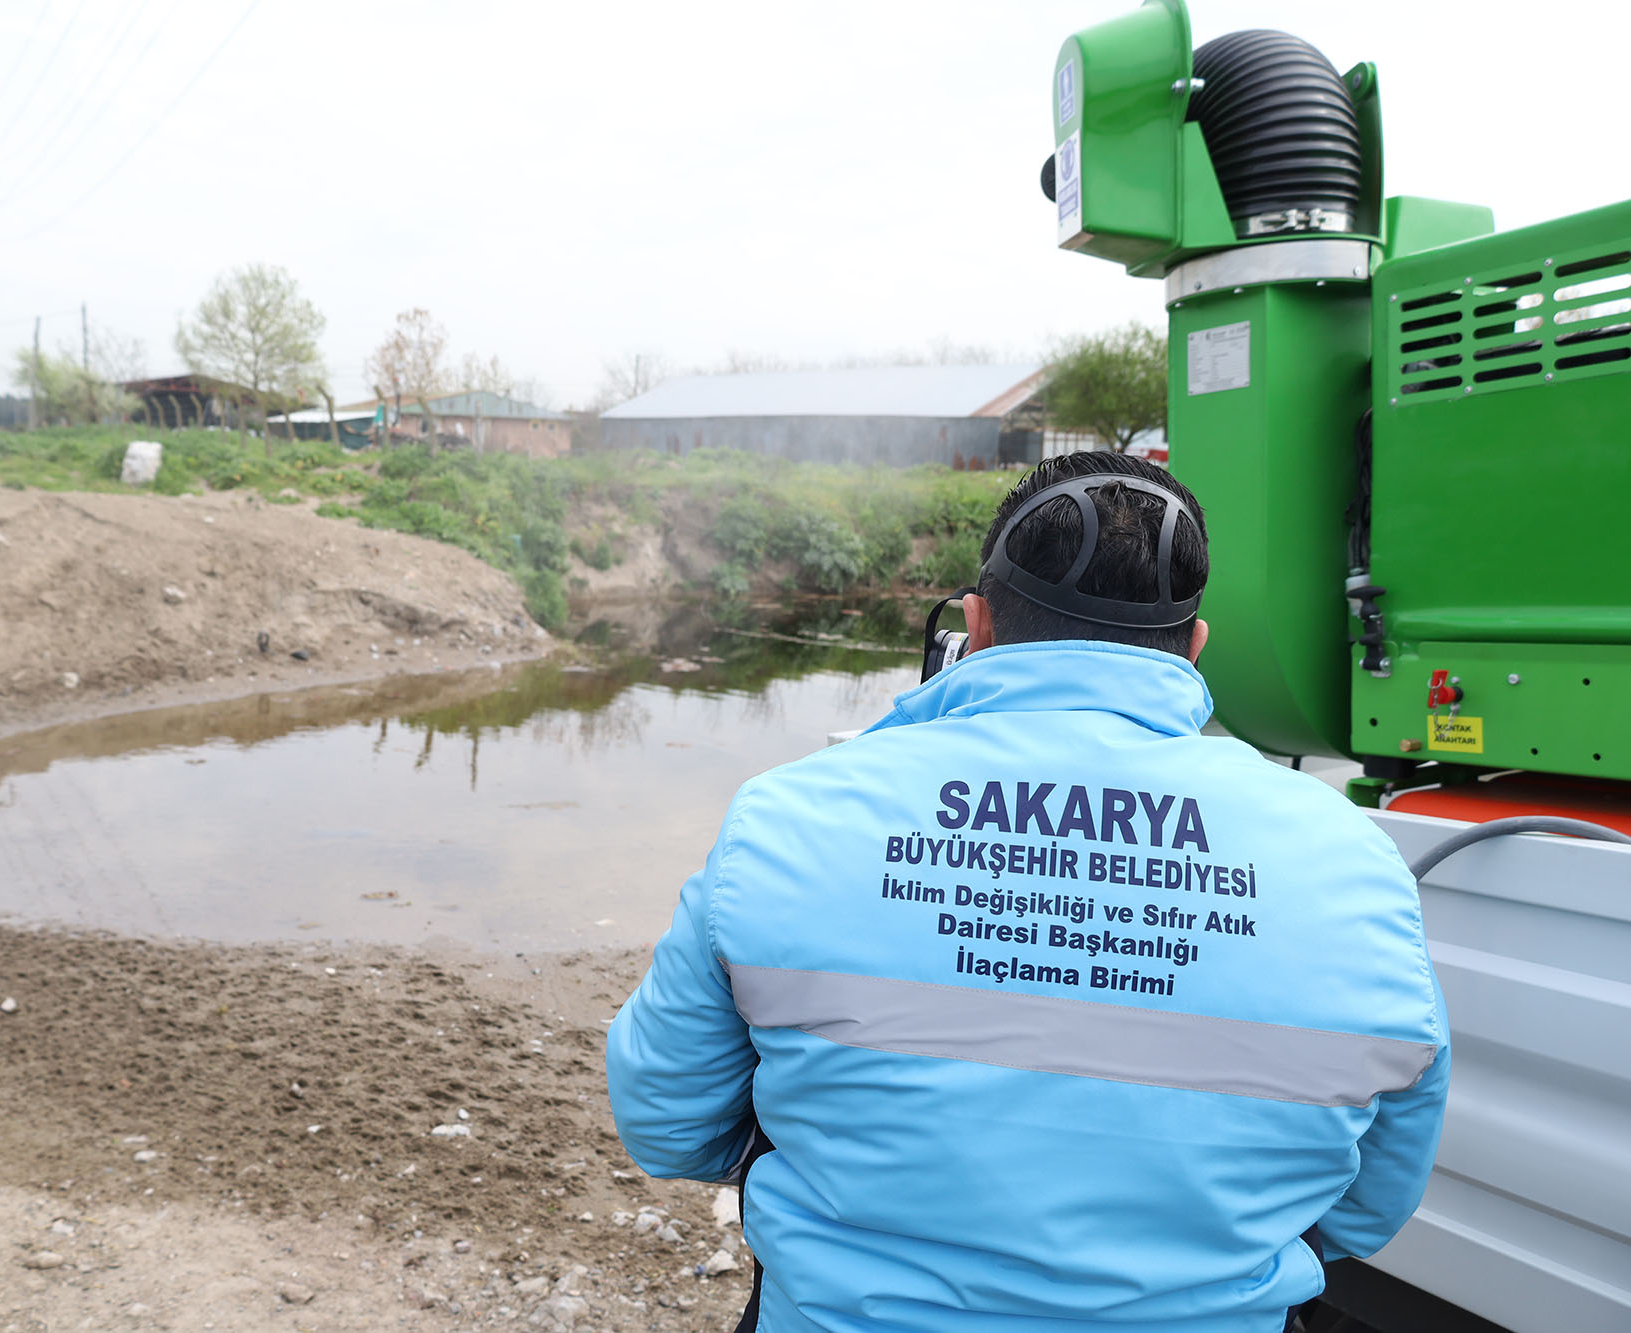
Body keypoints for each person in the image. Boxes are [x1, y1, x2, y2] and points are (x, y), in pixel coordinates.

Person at [605, 451, 1449, 1333]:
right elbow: (1366, 1208)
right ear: (1195, 647)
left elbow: (670, 1125)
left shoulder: (790, 814)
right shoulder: (1353, 857)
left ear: (976, 625)